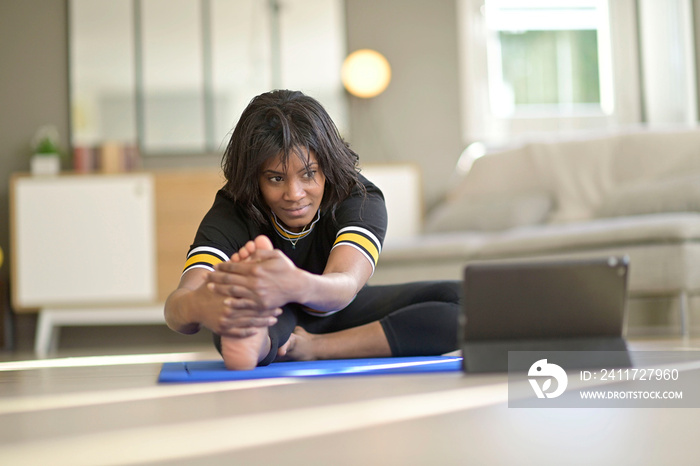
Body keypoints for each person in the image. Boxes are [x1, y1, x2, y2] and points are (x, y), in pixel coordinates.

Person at [164, 89, 460, 370]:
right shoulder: (235, 207)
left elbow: (343, 285)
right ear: (254, 178)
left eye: (308, 174)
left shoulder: (357, 196)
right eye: (276, 179)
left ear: (327, 166)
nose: (294, 193)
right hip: (272, 314)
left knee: (468, 303)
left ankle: (315, 346)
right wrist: (202, 305)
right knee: (244, 317)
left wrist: (293, 284)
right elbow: (179, 303)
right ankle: (251, 339)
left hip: (343, 310)